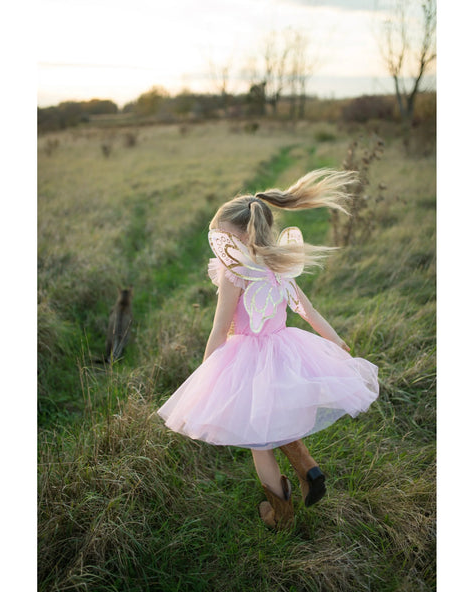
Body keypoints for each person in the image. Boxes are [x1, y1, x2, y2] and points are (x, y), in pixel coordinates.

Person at [157, 169, 380, 530]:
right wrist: (337, 342)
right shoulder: (282, 266)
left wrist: (206, 374)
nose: (219, 247)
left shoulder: (235, 275)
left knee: (259, 443)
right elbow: (309, 311)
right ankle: (307, 475)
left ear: (240, 238)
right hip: (285, 353)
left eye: (221, 239)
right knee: (276, 420)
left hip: (245, 359)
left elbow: (219, 329)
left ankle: (280, 514)